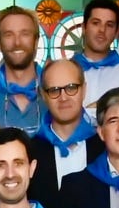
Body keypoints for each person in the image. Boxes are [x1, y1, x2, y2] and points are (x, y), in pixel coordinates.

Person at [31, 59, 98, 199]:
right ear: (43, 95)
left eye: (71, 87)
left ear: (84, 90)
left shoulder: (104, 146)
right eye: (54, 90)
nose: (63, 97)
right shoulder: (30, 151)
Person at [0, 6, 44, 134]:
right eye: (9, 35)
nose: (17, 42)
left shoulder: (56, 93)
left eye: (25, 34)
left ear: (36, 41)